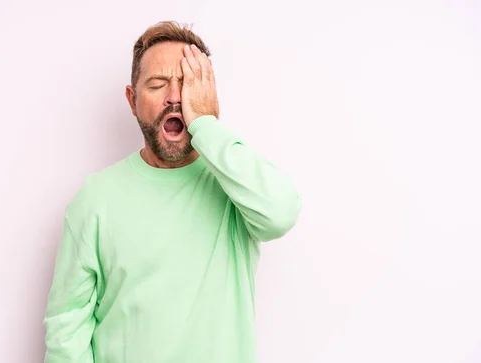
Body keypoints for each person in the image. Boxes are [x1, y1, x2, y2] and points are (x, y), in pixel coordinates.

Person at [43, 20, 301, 363]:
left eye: (189, 83)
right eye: (158, 84)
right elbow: (67, 330)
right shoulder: (95, 200)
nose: (175, 97)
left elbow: (282, 212)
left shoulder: (234, 186)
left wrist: (207, 125)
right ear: (132, 100)